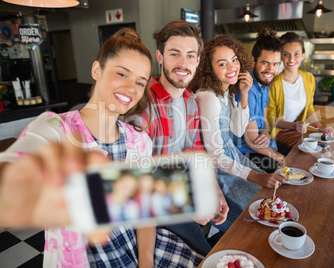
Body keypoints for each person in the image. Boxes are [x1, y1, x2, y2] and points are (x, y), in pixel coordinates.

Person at [0, 28, 204, 267]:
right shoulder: (57, 128)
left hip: (140, 247)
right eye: (122, 74)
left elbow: (145, 212)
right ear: (97, 70)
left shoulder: (139, 141)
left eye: (140, 81)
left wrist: (146, 263)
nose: (131, 88)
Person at [132, 20, 230, 256]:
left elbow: (196, 154)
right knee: (206, 255)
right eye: (174, 54)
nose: (183, 64)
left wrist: (215, 191)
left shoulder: (190, 101)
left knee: (238, 222)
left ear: (197, 60)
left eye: (189, 56)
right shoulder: (142, 103)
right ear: (160, 57)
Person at [190, 35, 285, 210]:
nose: (232, 66)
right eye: (222, 63)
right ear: (209, 69)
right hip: (218, 171)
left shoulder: (225, 91)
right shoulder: (208, 97)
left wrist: (245, 92)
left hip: (232, 157)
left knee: (268, 199)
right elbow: (215, 156)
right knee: (258, 204)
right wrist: (256, 177)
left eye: (234, 60)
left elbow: (237, 130)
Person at [268, 32, 334, 152]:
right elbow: (271, 119)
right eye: (286, 54)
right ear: (281, 56)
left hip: (298, 132)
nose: (291, 59)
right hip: (278, 134)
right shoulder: (274, 84)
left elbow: (309, 108)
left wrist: (319, 127)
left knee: (324, 147)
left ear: (303, 55)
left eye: (296, 54)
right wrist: (294, 126)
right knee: (308, 152)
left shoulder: (309, 78)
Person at [231, 28, 285, 172]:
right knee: (285, 170)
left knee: (297, 156)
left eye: (275, 64)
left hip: (263, 146)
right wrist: (280, 158)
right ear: (253, 61)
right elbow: (251, 140)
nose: (270, 69)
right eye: (265, 63)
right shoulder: (247, 88)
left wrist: (266, 134)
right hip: (248, 153)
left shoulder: (264, 84)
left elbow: (264, 119)